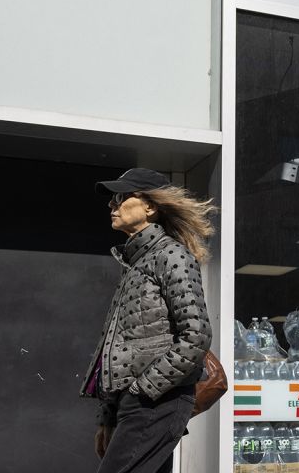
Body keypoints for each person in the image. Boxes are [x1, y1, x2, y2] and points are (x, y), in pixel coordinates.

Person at [81, 168, 215, 473]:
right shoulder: (135, 263)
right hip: (138, 404)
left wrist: (142, 390)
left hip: (157, 401)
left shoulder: (172, 256)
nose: (111, 205)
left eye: (120, 197)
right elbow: (116, 348)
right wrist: (108, 416)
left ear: (150, 207)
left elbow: (196, 336)